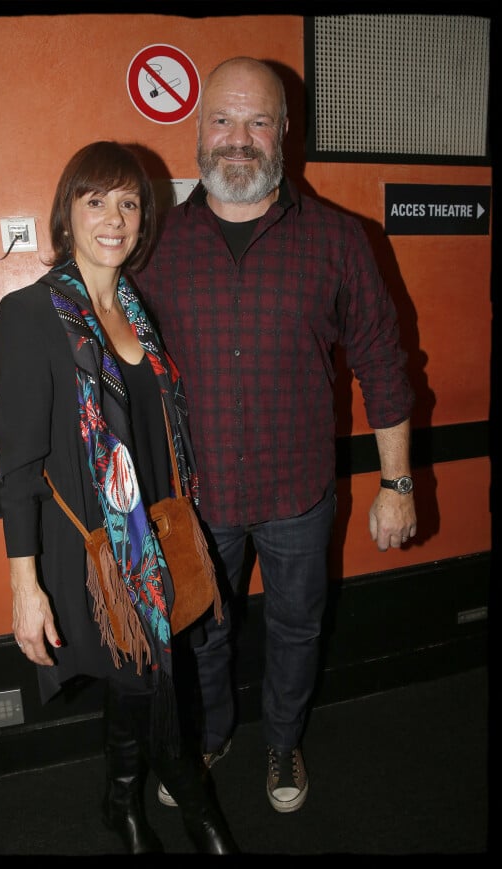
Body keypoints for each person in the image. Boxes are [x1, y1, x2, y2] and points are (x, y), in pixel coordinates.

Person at [136, 57, 417, 815]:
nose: (238, 138)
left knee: (298, 629)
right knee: (203, 636)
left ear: (284, 133)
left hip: (300, 495)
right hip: (198, 501)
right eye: (222, 120)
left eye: (258, 120)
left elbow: (384, 366)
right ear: (198, 132)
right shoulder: (152, 245)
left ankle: (283, 739)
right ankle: (212, 733)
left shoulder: (339, 239)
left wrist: (396, 485)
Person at [0, 140, 239, 854]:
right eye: (96, 199)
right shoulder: (30, 313)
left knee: (144, 677)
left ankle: (120, 800)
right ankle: (193, 804)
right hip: (93, 549)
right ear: (67, 215)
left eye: (129, 202)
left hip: (155, 534)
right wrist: (24, 587)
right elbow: (17, 464)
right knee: (146, 675)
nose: (114, 217)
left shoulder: (138, 308)